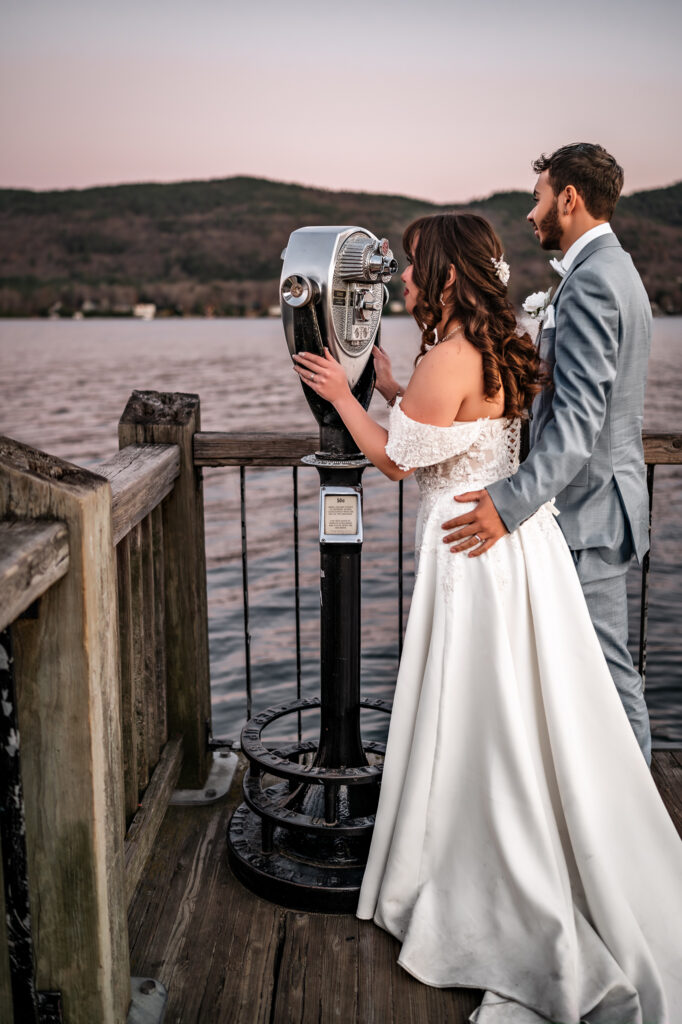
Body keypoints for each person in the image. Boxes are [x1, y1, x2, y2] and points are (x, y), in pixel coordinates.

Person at [292, 211, 682, 1023]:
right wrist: (399, 390)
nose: (400, 281)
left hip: (471, 558)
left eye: (411, 268)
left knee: (479, 716)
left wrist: (343, 393)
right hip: (519, 550)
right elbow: (462, 425)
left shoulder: (448, 355)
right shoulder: (493, 345)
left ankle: (482, 870)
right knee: (523, 713)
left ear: (442, 273)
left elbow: (397, 459)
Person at [438, 143, 653, 765]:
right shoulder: (614, 272)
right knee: (589, 671)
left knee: (607, 674)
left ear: (568, 198)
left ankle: (635, 822)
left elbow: (580, 421)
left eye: (537, 198)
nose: (531, 215)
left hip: (589, 509)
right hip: (595, 503)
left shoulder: (591, 284)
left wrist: (507, 505)